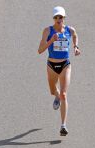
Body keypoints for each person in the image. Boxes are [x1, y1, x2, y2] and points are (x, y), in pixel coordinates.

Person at [38, 6, 81, 136]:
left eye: (60, 17)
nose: (58, 19)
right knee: (53, 91)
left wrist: (76, 47)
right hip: (51, 65)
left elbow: (75, 35)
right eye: (56, 17)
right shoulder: (47, 31)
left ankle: (63, 125)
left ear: (64, 18)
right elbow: (40, 50)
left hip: (65, 65)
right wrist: (51, 40)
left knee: (63, 94)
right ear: (53, 18)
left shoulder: (69, 30)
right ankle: (56, 96)